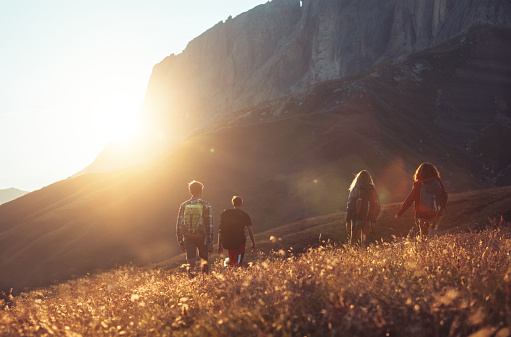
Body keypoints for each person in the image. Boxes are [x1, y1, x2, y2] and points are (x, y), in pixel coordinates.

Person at [394, 162, 448, 240]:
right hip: (436, 213)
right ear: (434, 172)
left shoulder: (418, 185)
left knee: (423, 236)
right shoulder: (438, 183)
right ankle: (433, 250)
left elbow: (409, 200)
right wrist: (440, 209)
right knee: (432, 234)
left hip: (422, 213)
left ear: (419, 173)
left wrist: (399, 213)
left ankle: (424, 250)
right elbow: (444, 196)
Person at [176, 180, 214, 277]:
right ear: (201, 191)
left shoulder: (184, 205)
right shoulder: (206, 205)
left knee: (190, 261)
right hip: (202, 236)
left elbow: (179, 224)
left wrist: (180, 241)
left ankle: (191, 283)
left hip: (188, 236)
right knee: (204, 260)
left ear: (190, 191)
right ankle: (205, 281)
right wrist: (210, 242)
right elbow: (209, 225)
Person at [218, 196, 256, 267]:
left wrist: (219, 246)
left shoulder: (226, 214)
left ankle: (232, 275)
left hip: (228, 242)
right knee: (238, 263)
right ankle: (236, 275)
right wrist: (253, 243)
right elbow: (250, 231)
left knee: (232, 262)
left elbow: (220, 231)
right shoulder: (244, 215)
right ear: (241, 204)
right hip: (240, 243)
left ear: (233, 204)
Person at [345, 170, 380, 248]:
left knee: (353, 242)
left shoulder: (356, 188)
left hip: (356, 218)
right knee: (365, 243)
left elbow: (350, 205)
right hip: (368, 219)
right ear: (369, 178)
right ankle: (364, 258)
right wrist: (374, 218)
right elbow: (377, 205)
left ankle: (351, 258)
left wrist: (348, 220)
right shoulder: (372, 189)